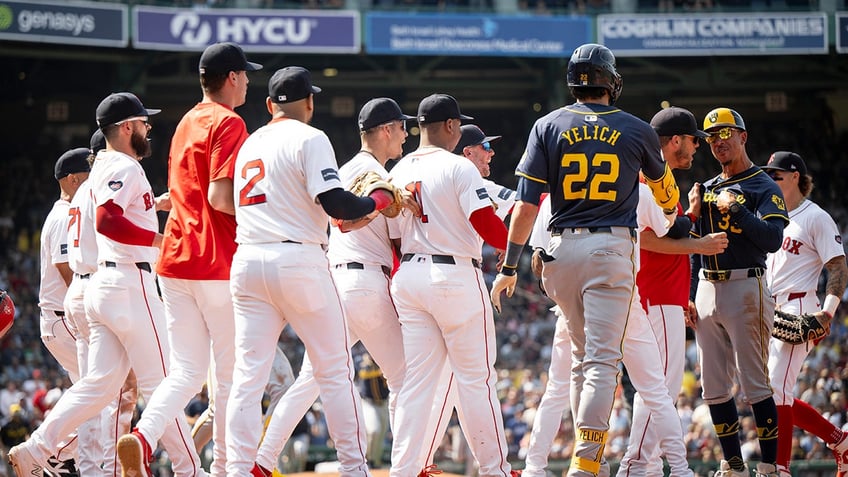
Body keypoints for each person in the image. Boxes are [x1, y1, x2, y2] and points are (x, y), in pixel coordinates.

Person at [490, 43, 681, 477]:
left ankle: (583, 453)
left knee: (580, 362)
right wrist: (669, 208)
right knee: (600, 363)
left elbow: (524, 205)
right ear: (610, 82)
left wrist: (507, 266)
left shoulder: (547, 124)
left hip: (560, 252)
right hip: (610, 248)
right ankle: (587, 463)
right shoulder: (636, 129)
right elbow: (664, 192)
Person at [9, 92, 204, 477]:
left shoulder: (95, 174)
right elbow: (108, 220)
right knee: (163, 382)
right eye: (144, 123)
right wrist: (161, 241)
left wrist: (154, 208)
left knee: (100, 384)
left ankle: (37, 448)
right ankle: (190, 470)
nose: (149, 129)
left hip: (102, 286)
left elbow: (112, 215)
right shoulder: (125, 166)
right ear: (127, 127)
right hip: (128, 282)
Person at [226, 66, 402, 477]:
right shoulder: (311, 136)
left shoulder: (250, 143)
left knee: (249, 377)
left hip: (248, 259)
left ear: (270, 105)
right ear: (309, 103)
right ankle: (354, 469)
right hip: (297, 259)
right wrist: (377, 200)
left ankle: (239, 469)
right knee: (335, 369)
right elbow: (340, 206)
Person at [116, 42, 262, 477]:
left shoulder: (184, 123)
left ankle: (142, 437)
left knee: (185, 372)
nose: (250, 81)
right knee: (232, 379)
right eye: (246, 74)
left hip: (175, 260)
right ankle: (225, 469)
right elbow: (220, 197)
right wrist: (266, 205)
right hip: (215, 260)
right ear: (232, 78)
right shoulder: (230, 122)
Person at [387, 93, 516, 477]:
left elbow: (393, 236)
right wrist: (512, 251)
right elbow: (486, 223)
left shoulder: (398, 170)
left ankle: (404, 469)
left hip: (409, 274)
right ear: (450, 126)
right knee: (476, 380)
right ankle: (495, 470)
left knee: (417, 384)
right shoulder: (460, 168)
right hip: (454, 275)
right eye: (458, 124)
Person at [618, 106, 730, 476]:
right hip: (652, 294)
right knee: (659, 390)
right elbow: (648, 242)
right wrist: (699, 245)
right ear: (675, 140)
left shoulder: (657, 177)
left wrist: (692, 221)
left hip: (663, 294)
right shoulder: (647, 178)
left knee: (660, 389)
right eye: (694, 141)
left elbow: (665, 236)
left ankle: (644, 465)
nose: (697, 148)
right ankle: (636, 465)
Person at [688, 107, 789, 477]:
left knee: (755, 383)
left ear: (743, 136)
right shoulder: (708, 188)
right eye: (712, 137)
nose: (718, 142)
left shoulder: (763, 185)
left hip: (747, 284)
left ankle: (768, 466)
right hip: (707, 287)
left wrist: (740, 213)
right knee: (713, 386)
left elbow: (773, 239)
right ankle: (732, 464)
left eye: (725, 133)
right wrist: (688, 291)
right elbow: (695, 244)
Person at [762, 151, 848, 476]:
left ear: (795, 176)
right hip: (770, 308)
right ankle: (840, 440)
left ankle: (779, 468)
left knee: (775, 390)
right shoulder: (770, 215)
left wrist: (827, 313)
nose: (771, 179)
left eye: (777, 174)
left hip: (800, 306)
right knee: (769, 392)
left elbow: (837, 266)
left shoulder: (816, 217)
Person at [64, 131, 141, 477]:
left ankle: (89, 467)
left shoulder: (81, 190)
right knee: (117, 389)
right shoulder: (107, 181)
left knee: (93, 389)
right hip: (101, 284)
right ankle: (108, 468)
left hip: (81, 290)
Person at [35, 147, 91, 475]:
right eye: (88, 178)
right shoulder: (63, 216)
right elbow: (66, 270)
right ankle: (49, 451)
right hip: (62, 319)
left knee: (92, 396)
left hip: (61, 321)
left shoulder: (71, 212)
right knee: (105, 391)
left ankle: (65, 458)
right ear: (72, 180)